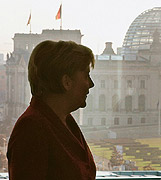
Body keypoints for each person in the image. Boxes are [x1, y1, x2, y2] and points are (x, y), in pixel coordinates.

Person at [7, 40, 96, 180]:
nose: (91, 84)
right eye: (86, 76)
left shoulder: (65, 120)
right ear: (66, 82)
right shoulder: (31, 129)